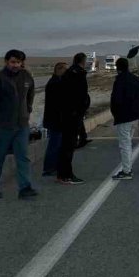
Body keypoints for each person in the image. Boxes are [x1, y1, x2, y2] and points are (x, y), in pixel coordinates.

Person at [0, 50, 37, 199]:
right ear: (7, 62)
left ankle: (25, 188)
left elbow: (30, 93)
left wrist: (28, 109)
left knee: (23, 157)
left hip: (22, 125)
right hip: (2, 127)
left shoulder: (26, 76)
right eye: (13, 62)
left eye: (19, 62)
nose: (16, 65)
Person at [57, 52, 89, 185]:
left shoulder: (68, 74)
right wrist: (81, 110)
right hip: (72, 115)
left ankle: (62, 174)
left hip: (67, 114)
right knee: (68, 146)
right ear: (83, 61)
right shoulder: (78, 74)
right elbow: (80, 95)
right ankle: (66, 175)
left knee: (66, 146)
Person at [110, 57, 139, 180]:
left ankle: (127, 171)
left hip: (124, 117)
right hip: (135, 116)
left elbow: (116, 100)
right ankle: (128, 168)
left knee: (125, 144)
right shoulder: (136, 79)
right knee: (128, 143)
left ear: (117, 67)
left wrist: (115, 114)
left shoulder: (119, 81)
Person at [42, 61, 67, 176]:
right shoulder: (55, 83)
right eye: (64, 70)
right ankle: (49, 167)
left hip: (56, 118)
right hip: (55, 119)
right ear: (59, 70)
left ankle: (54, 166)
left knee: (57, 143)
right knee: (54, 144)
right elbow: (58, 103)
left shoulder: (57, 82)